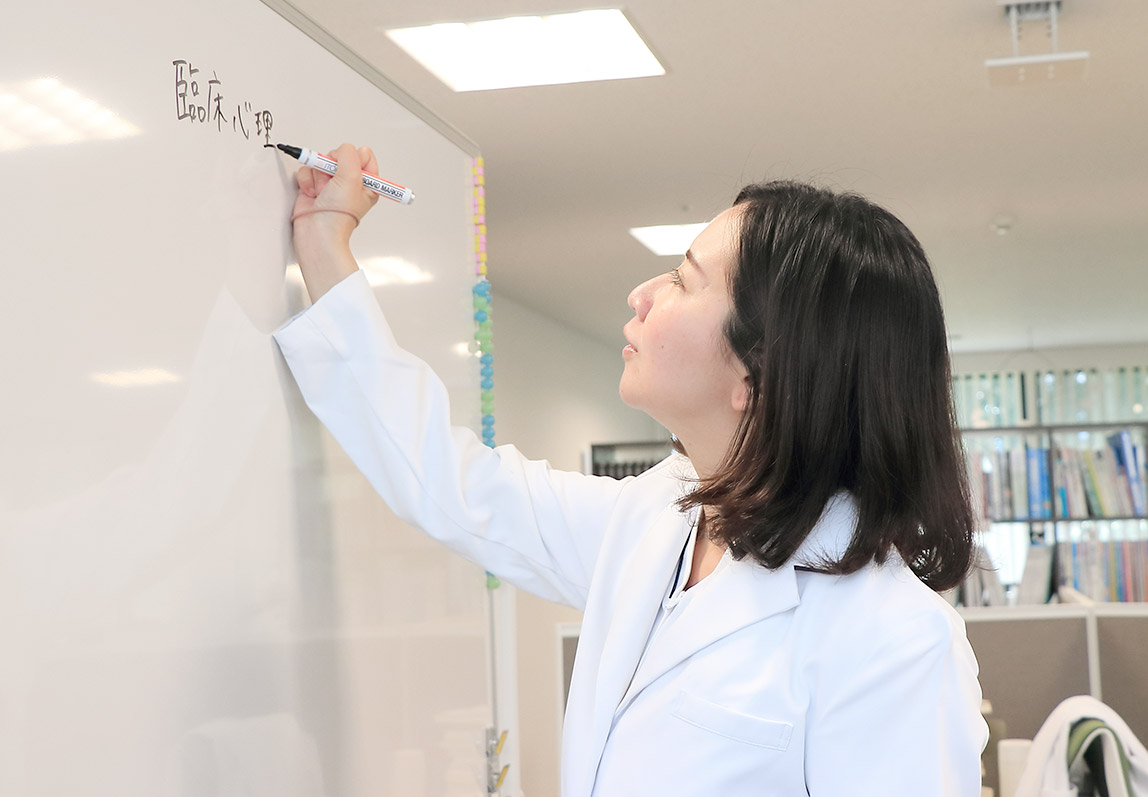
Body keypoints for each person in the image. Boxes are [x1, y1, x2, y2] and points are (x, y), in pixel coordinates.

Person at [274, 144, 988, 797]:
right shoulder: (654, 519)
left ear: (760, 373)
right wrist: (324, 245)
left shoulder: (895, 642)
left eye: (683, 280)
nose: (642, 293)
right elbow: (452, 484)